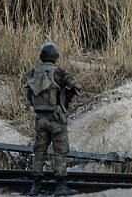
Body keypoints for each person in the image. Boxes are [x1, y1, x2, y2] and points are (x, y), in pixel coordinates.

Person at [24, 43, 79, 197]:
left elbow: (29, 94)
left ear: (42, 56)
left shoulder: (34, 72)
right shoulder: (59, 72)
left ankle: (35, 187)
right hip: (56, 118)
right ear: (55, 57)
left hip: (40, 118)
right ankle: (60, 186)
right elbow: (76, 86)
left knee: (39, 151)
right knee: (60, 151)